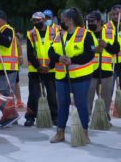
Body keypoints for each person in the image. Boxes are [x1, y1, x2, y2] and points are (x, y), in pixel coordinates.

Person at [49, 8, 95, 144]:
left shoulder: (86, 34)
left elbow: (89, 54)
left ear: (70, 20)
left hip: (81, 76)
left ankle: (84, 132)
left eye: (62, 19)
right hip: (61, 76)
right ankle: (60, 132)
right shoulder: (59, 35)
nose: (60, 21)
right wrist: (59, 57)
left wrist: (72, 60)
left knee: (81, 104)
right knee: (62, 103)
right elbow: (50, 51)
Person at [24, 12, 58, 127]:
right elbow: (30, 53)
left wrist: (50, 66)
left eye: (38, 20)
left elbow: (57, 51)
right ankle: (30, 117)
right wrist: (38, 66)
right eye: (34, 21)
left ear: (43, 19)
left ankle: (55, 117)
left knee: (52, 95)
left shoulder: (55, 32)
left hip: (51, 69)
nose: (35, 23)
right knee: (33, 95)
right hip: (35, 69)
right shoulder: (31, 34)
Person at [0, 9, 20, 127]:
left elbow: (5, 42)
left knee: (1, 94)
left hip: (6, 68)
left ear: (0, 20)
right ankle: (9, 114)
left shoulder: (8, 30)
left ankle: (10, 114)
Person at [85, 11, 119, 122]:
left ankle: (104, 116)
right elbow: (81, 51)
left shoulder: (110, 33)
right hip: (91, 71)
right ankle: (87, 117)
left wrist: (106, 45)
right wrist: (93, 50)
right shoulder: (86, 34)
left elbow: (116, 49)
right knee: (88, 97)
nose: (90, 23)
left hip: (106, 71)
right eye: (88, 21)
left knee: (106, 97)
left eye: (92, 21)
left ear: (99, 22)